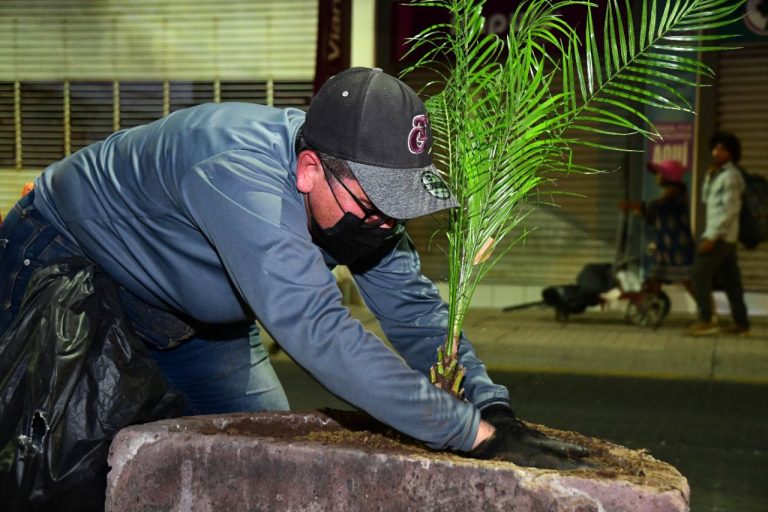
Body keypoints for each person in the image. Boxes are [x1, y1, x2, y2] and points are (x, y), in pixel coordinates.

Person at [0, 67, 586, 468]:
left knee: (262, 457)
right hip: (69, 263)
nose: (386, 225)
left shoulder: (359, 211)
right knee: (55, 465)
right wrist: (467, 436)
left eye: (399, 209)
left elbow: (416, 312)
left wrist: (490, 409)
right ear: (308, 169)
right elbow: (320, 333)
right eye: (375, 205)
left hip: (191, 312)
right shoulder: (240, 177)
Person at [688, 131, 749, 336]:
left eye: (721, 149)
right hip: (725, 236)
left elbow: (729, 210)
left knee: (698, 273)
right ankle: (742, 324)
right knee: (731, 281)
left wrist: (712, 236)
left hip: (721, 236)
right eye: (715, 148)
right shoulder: (718, 174)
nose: (716, 152)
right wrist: (709, 176)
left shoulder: (731, 176)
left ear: (731, 153)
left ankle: (706, 319)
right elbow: (707, 201)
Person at [620, 159, 695, 295]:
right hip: (666, 244)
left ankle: (707, 311)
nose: (657, 177)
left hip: (677, 246)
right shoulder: (673, 195)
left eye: (660, 174)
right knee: (656, 277)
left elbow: (656, 207)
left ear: (669, 177)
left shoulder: (675, 196)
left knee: (686, 280)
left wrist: (635, 207)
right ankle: (652, 305)